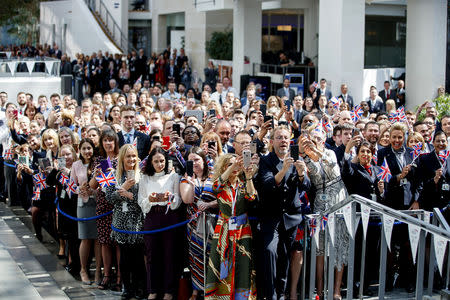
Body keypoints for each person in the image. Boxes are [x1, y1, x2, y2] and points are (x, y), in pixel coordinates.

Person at [256, 126, 310, 299]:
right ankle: (270, 294)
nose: (283, 141)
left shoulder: (297, 159)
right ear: (272, 142)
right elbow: (267, 185)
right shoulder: (266, 161)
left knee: (285, 257)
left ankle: (281, 293)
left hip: (291, 218)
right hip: (270, 217)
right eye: (279, 137)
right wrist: (285, 169)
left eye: (286, 138)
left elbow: (306, 186)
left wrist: (302, 174)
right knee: (270, 251)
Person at [299, 126, 349, 300]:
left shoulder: (330, 153)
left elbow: (332, 169)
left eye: (319, 139)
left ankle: (336, 290)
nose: (316, 143)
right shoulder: (306, 158)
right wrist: (305, 154)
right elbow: (312, 176)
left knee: (340, 244)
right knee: (319, 247)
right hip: (320, 200)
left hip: (339, 197)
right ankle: (319, 291)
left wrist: (317, 153)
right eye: (313, 140)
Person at [205, 154, 257, 299]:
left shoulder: (243, 182)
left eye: (236, 164)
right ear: (223, 167)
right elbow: (216, 186)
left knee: (243, 264)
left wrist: (248, 177)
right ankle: (220, 296)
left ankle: (241, 297)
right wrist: (233, 166)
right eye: (229, 165)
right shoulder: (220, 184)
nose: (234, 167)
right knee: (220, 260)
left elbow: (251, 196)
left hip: (242, 230)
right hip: (224, 229)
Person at [138, 147, 182, 300]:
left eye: (162, 161)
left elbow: (177, 200)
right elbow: (141, 201)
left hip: (169, 216)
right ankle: (153, 289)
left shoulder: (174, 177)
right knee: (152, 254)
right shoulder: (145, 178)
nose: (159, 164)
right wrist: (150, 199)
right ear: (150, 162)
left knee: (169, 254)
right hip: (152, 216)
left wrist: (169, 198)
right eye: (156, 161)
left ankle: (168, 290)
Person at [105, 144, 145, 299]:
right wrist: (123, 187)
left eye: (134, 156)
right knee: (125, 257)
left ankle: (139, 288)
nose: (131, 159)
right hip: (121, 221)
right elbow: (109, 198)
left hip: (137, 221)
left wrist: (130, 196)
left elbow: (144, 200)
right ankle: (127, 288)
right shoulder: (113, 175)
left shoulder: (142, 176)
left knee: (138, 257)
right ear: (122, 158)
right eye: (128, 156)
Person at [180, 147, 217, 299]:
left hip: (212, 223)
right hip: (194, 224)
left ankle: (211, 290)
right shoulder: (186, 178)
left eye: (197, 159)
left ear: (204, 160)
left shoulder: (214, 176)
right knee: (195, 257)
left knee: (211, 256)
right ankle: (196, 290)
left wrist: (209, 205)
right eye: (191, 160)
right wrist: (191, 184)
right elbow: (187, 200)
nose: (194, 163)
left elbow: (224, 198)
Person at [89, 129, 121, 290]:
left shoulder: (122, 159)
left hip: (118, 204)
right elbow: (92, 186)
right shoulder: (99, 160)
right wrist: (96, 175)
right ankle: (107, 275)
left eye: (111, 140)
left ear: (115, 142)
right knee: (105, 241)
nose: (108, 143)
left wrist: (114, 174)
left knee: (118, 242)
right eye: (105, 140)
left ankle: (120, 277)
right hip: (103, 204)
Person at [70, 138, 102, 285]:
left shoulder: (98, 163)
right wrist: (79, 189)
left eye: (89, 148)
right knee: (85, 238)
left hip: (97, 204)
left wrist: (93, 190)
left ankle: (98, 272)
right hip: (83, 205)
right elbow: (70, 186)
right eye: (84, 148)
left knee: (97, 239)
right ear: (79, 150)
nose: (87, 151)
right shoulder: (76, 165)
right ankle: (83, 269)